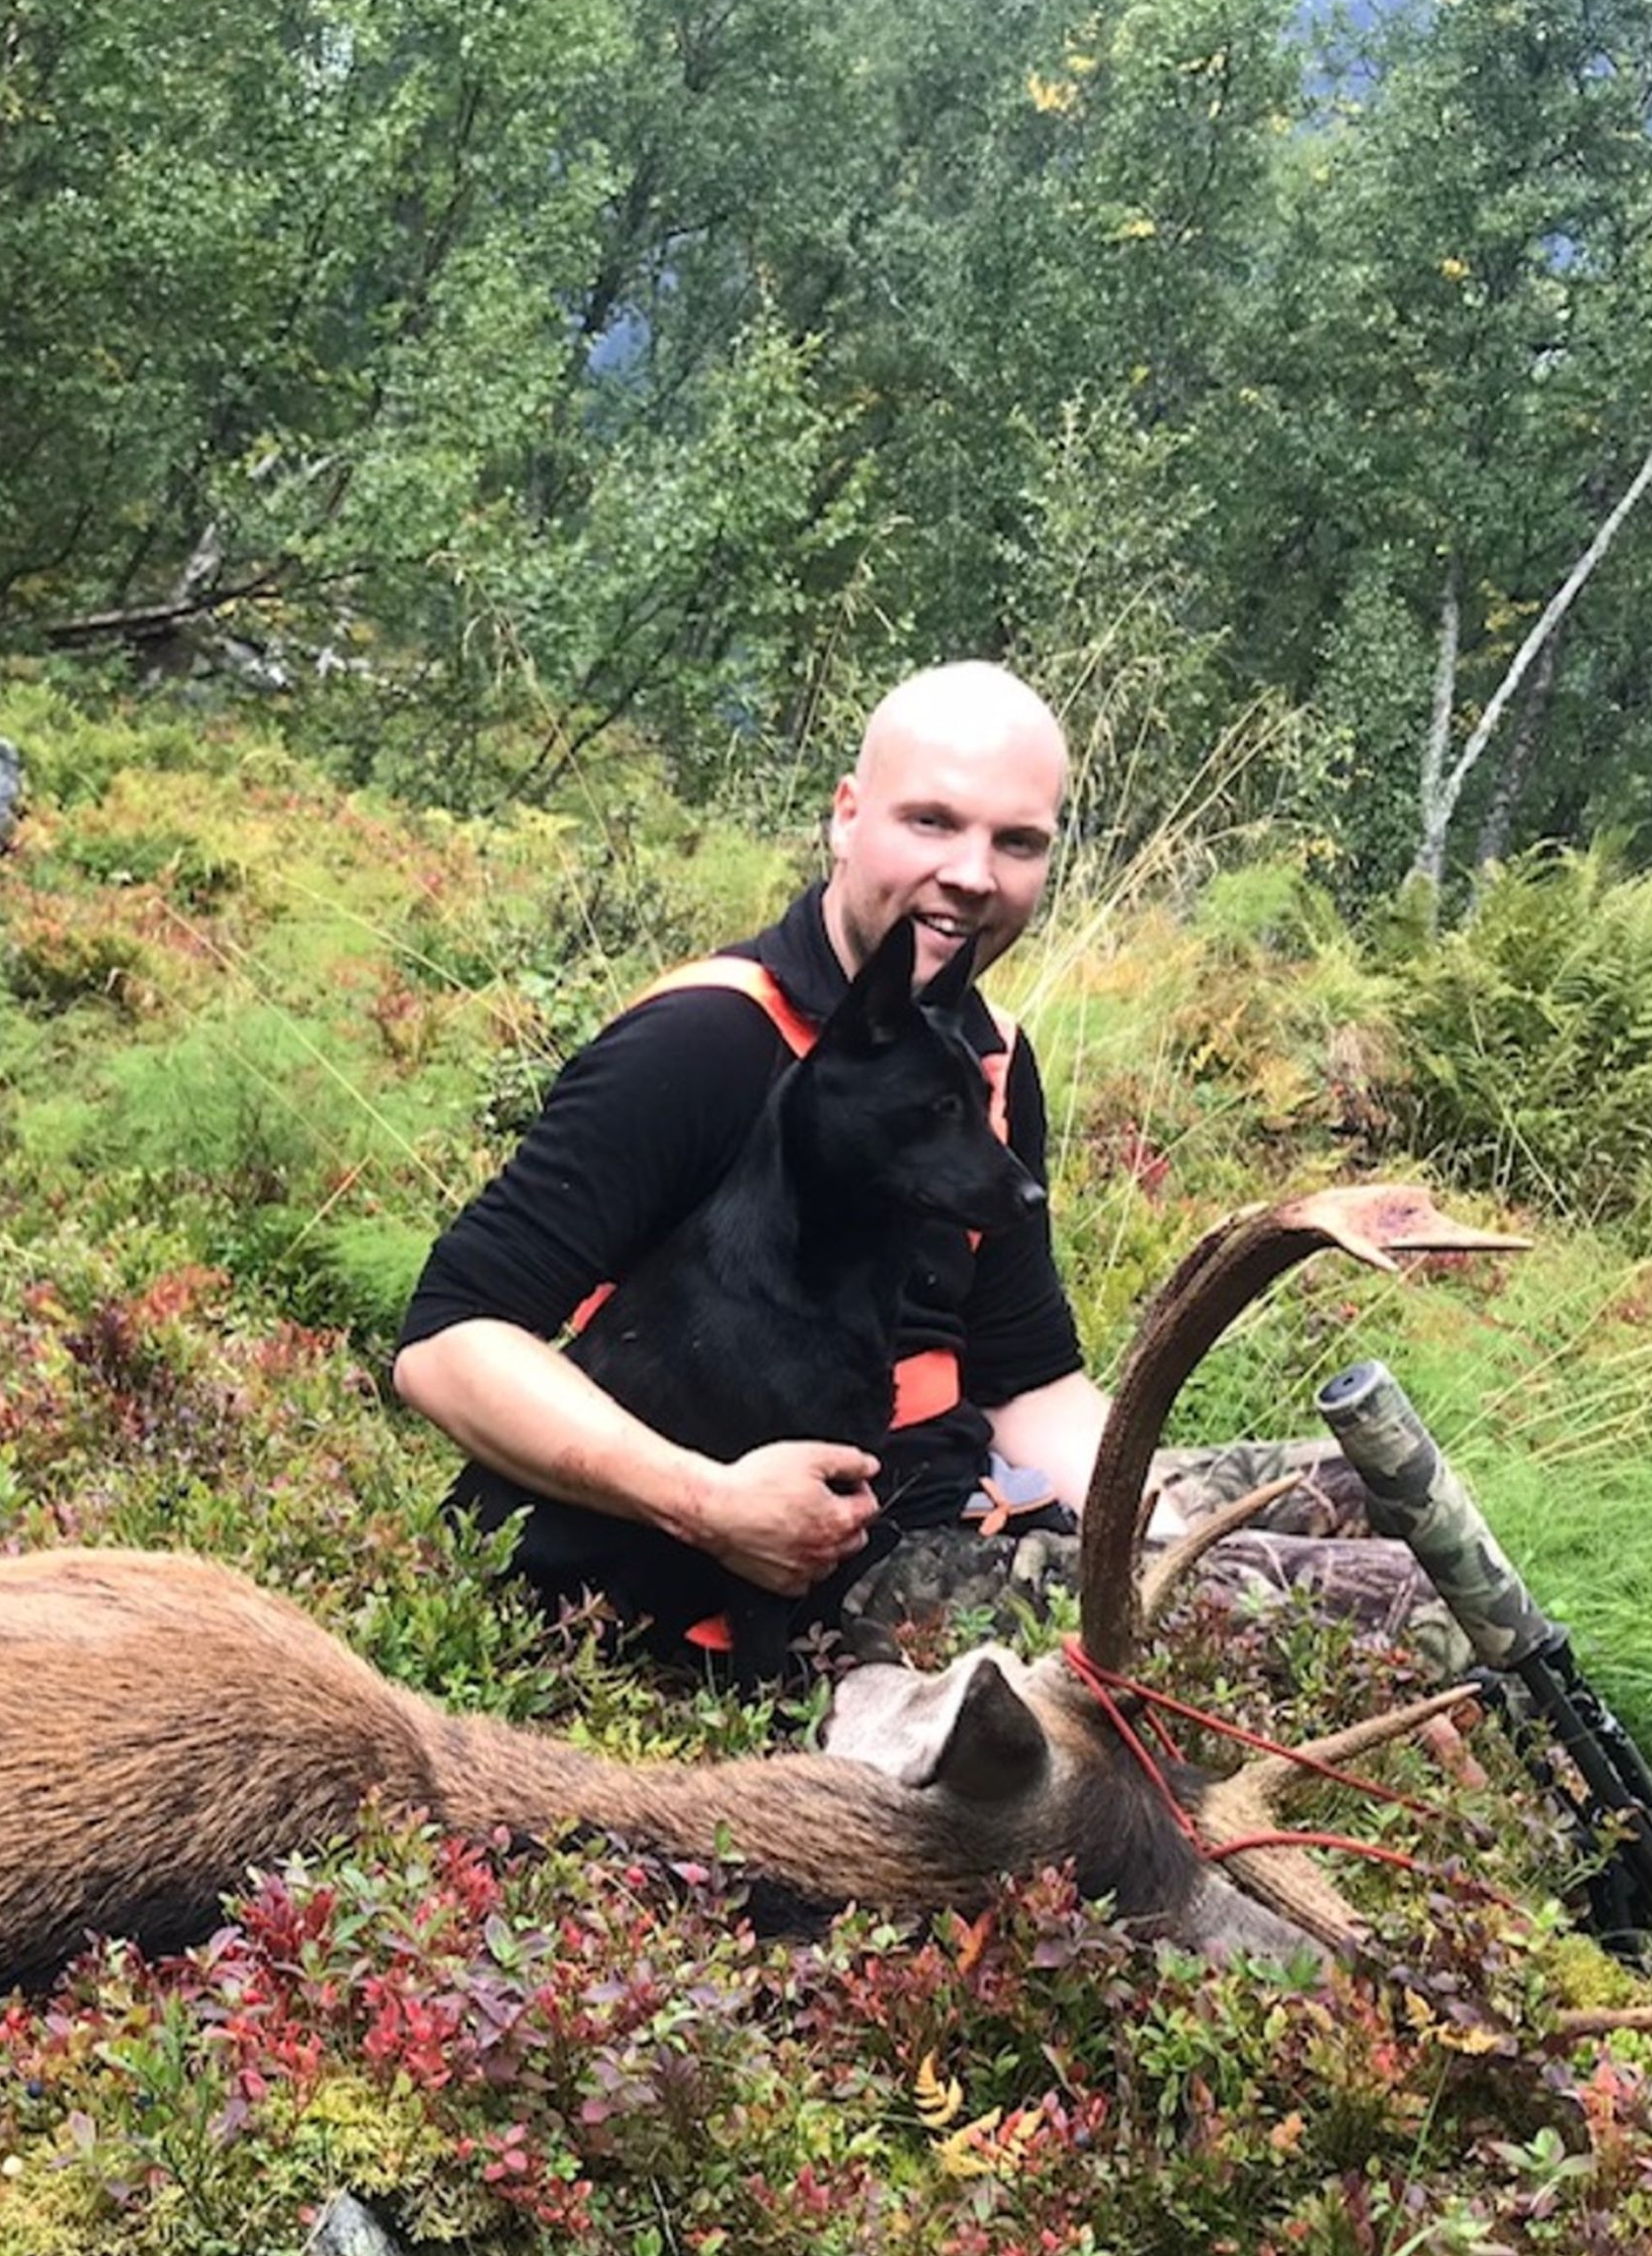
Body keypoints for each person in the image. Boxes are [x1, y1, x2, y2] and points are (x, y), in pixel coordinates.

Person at [392, 661, 1115, 1650]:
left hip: (965, 1507)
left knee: (1334, 1506)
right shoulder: (703, 1040)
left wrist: (1151, 1520)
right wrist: (708, 1503)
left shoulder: (983, 1062)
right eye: (932, 823)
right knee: (1335, 1595)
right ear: (848, 816)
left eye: (1017, 841)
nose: (974, 875)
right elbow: (445, 1344)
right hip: (796, 1584)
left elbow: (1028, 1385)